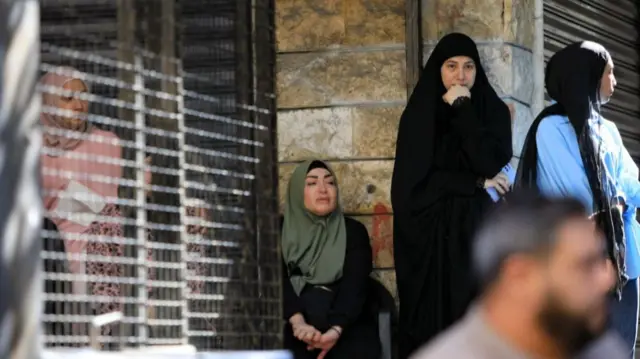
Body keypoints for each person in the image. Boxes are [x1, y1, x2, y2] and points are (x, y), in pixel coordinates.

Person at [39, 67, 208, 338]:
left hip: (119, 231)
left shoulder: (108, 142)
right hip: (67, 239)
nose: (79, 106)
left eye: (83, 97)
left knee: (180, 224)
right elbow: (47, 204)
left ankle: (163, 316)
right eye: (67, 98)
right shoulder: (33, 150)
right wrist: (107, 205)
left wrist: (184, 200)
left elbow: (140, 182)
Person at [390, 32, 513, 357]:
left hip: (476, 243)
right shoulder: (420, 116)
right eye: (451, 66)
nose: (461, 75)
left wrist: (462, 108)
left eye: (469, 66)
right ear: (438, 70)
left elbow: (488, 160)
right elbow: (412, 190)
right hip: (431, 249)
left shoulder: (492, 112)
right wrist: (473, 182)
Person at [515, 41, 640, 356]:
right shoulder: (550, 129)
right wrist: (618, 199)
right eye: (609, 72)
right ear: (587, 74)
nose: (615, 82)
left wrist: (618, 198)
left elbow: (634, 184)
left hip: (625, 266)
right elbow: (578, 197)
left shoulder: (608, 129)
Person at [411, 193, 627, 359]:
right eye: (584, 265)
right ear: (519, 277)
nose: (607, 279)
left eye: (600, 260)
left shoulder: (602, 350)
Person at [281, 160, 380, 359]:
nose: (323, 189)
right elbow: (275, 280)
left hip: (344, 323)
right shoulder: (279, 231)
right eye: (311, 183)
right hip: (295, 322)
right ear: (297, 192)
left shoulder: (353, 231)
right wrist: (298, 322)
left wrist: (335, 330)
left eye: (330, 182)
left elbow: (355, 284)